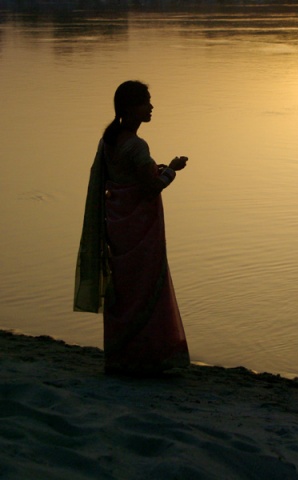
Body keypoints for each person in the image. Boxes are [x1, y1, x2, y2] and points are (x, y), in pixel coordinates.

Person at [74, 80, 190, 375]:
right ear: (130, 108)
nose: (151, 107)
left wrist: (157, 169)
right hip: (139, 231)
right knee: (146, 286)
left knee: (124, 290)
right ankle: (146, 357)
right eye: (145, 102)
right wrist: (172, 171)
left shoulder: (110, 140)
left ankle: (122, 355)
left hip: (118, 225)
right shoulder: (136, 145)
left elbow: (127, 179)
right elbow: (151, 187)